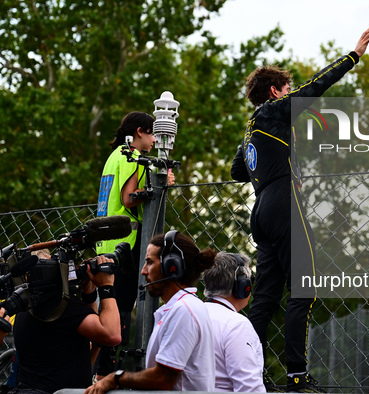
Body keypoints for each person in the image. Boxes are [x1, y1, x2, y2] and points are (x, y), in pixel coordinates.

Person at [231, 26, 369, 393]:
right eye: (285, 89)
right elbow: (315, 88)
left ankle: (250, 371)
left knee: (264, 300)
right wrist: (353, 55)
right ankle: (297, 376)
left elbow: (237, 171)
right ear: (275, 91)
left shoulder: (250, 129)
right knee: (303, 291)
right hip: (283, 203)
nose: (289, 94)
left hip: (260, 211)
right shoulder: (273, 112)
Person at [85, 231, 216, 393]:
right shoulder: (184, 307)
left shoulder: (184, 310)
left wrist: (115, 377)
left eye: (149, 262)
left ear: (171, 267)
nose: (143, 271)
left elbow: (163, 378)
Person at [96, 111, 175, 377]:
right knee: (118, 313)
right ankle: (105, 373)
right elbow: (130, 198)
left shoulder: (114, 156)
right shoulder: (133, 157)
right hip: (124, 246)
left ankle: (97, 371)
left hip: (104, 244)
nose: (154, 140)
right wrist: (161, 183)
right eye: (153, 133)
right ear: (140, 132)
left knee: (104, 309)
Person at [11, 255, 121, 393]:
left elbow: (89, 336)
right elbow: (112, 335)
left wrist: (89, 294)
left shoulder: (27, 307)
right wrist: (106, 286)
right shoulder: (64, 309)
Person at [202, 252, 265, 393]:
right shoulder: (236, 325)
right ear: (243, 286)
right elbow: (249, 389)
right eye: (250, 280)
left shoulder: (189, 315)